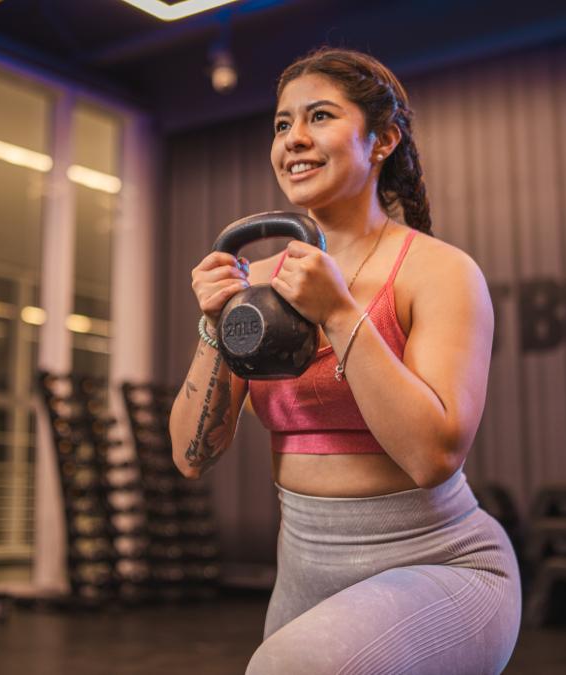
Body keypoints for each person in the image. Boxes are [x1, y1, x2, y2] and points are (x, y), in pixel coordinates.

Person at [170, 47, 521, 674]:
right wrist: (213, 325)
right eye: (281, 125)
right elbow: (192, 456)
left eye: (320, 117)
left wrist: (339, 312)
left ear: (381, 139)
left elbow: (432, 456)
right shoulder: (262, 282)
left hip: (440, 565)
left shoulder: (439, 272)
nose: (294, 140)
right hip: (305, 572)